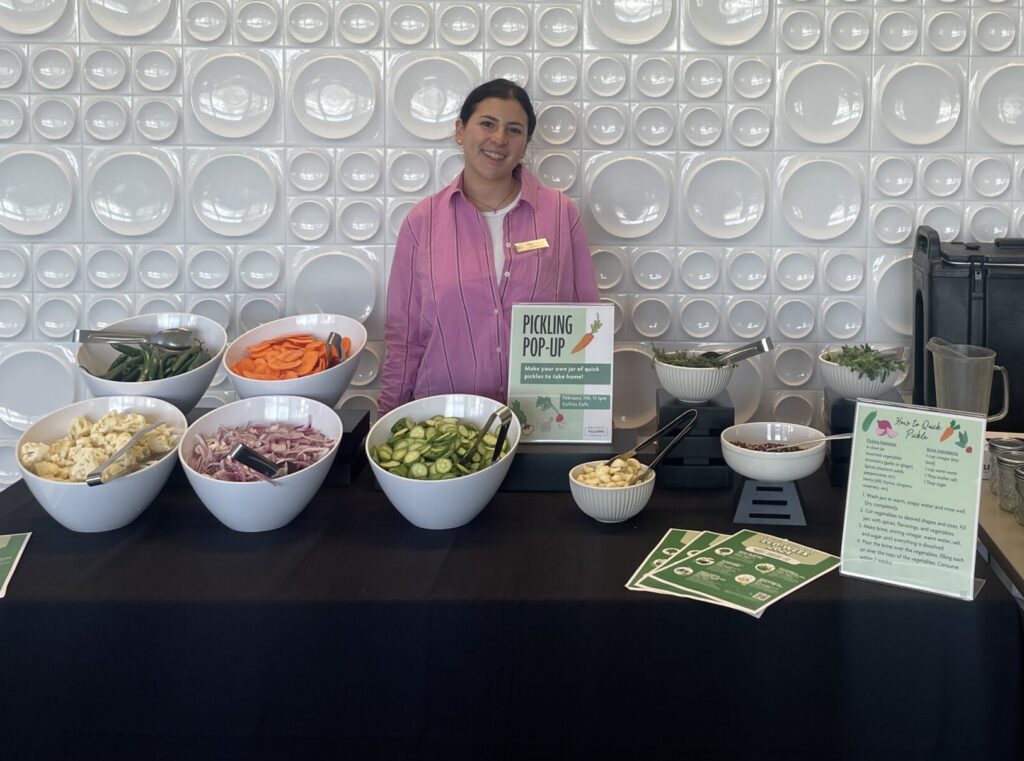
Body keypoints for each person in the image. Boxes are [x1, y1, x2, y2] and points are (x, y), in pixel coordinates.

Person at [378, 79, 599, 414]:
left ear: (525, 144)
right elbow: (404, 339)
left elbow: (587, 322)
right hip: (445, 427)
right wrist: (386, 420)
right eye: (487, 124)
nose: (499, 139)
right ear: (460, 131)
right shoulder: (422, 222)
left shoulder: (559, 214)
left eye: (514, 130)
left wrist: (594, 418)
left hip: (541, 422)